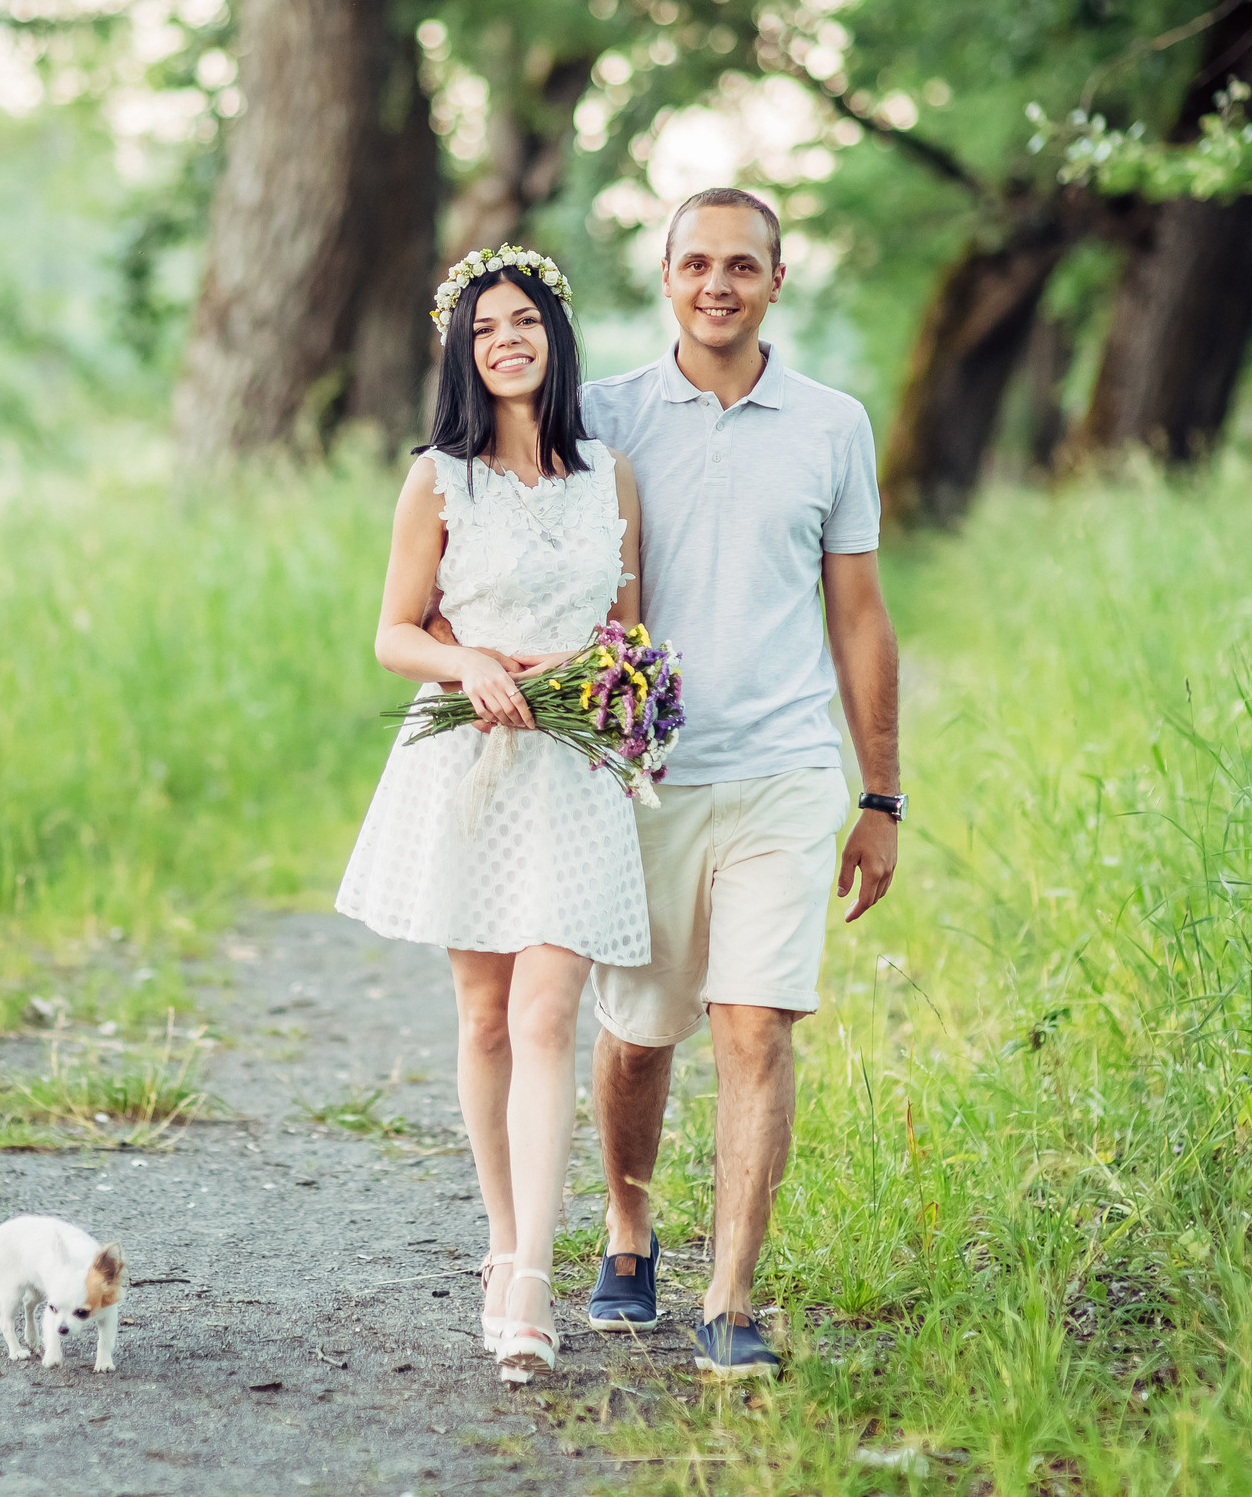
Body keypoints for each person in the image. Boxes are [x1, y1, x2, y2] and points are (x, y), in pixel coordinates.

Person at [433, 189, 901, 1381]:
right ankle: (629, 1230)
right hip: (637, 774)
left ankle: (732, 1294)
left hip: (786, 772)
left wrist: (880, 793)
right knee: (638, 1033)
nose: (718, 284)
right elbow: (494, 533)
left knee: (754, 1028)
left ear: (776, 281)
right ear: (665, 275)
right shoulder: (606, 419)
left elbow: (857, 616)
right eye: (696, 263)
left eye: (742, 266)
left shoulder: (833, 424)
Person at [334, 244, 649, 1387]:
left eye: (522, 321)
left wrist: (593, 676)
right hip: (468, 761)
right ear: (461, 352)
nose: (505, 340)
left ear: (554, 336)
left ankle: (529, 1281)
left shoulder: (606, 474)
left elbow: (632, 632)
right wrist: (465, 661)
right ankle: (499, 1235)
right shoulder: (437, 476)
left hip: (569, 768)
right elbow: (392, 630)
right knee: (483, 1016)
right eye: (482, 329)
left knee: (550, 1008)